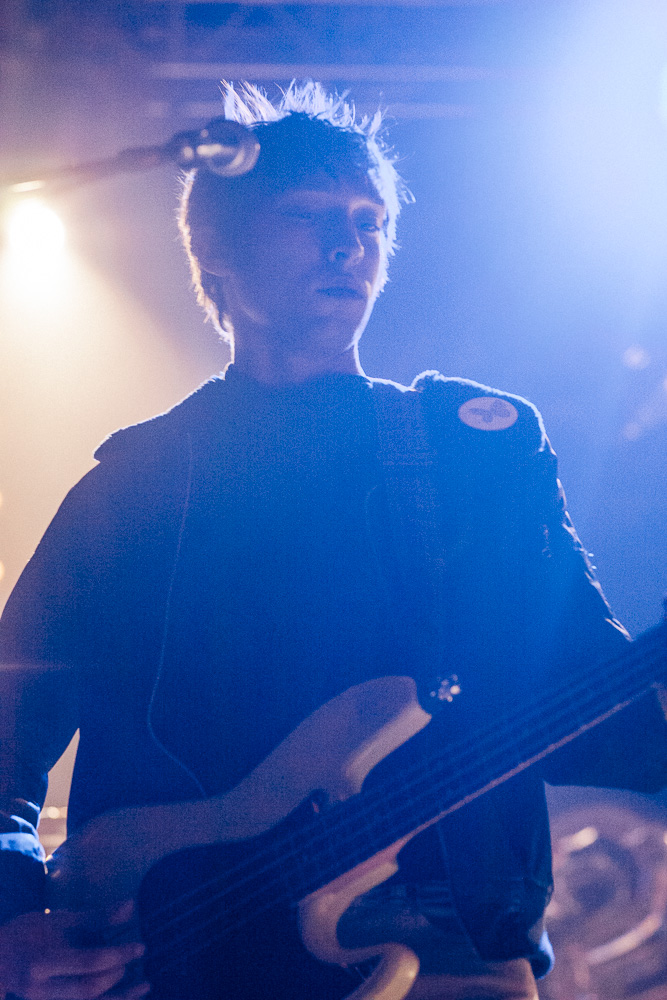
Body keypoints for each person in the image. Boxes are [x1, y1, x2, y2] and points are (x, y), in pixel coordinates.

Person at [1, 81, 667, 1000]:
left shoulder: (471, 453)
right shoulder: (134, 485)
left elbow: (591, 714)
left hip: (448, 958)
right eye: (310, 215)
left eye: (370, 221)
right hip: (179, 966)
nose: (348, 244)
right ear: (215, 251)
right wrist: (10, 919)